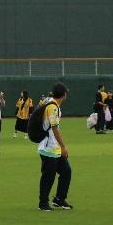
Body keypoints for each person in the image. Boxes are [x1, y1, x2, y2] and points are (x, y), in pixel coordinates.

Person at [37, 82, 72, 211]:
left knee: (66, 171)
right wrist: (63, 146)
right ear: (64, 94)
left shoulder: (50, 102)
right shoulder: (53, 107)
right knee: (48, 175)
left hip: (53, 147)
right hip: (48, 147)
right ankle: (43, 202)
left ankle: (59, 199)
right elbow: (54, 128)